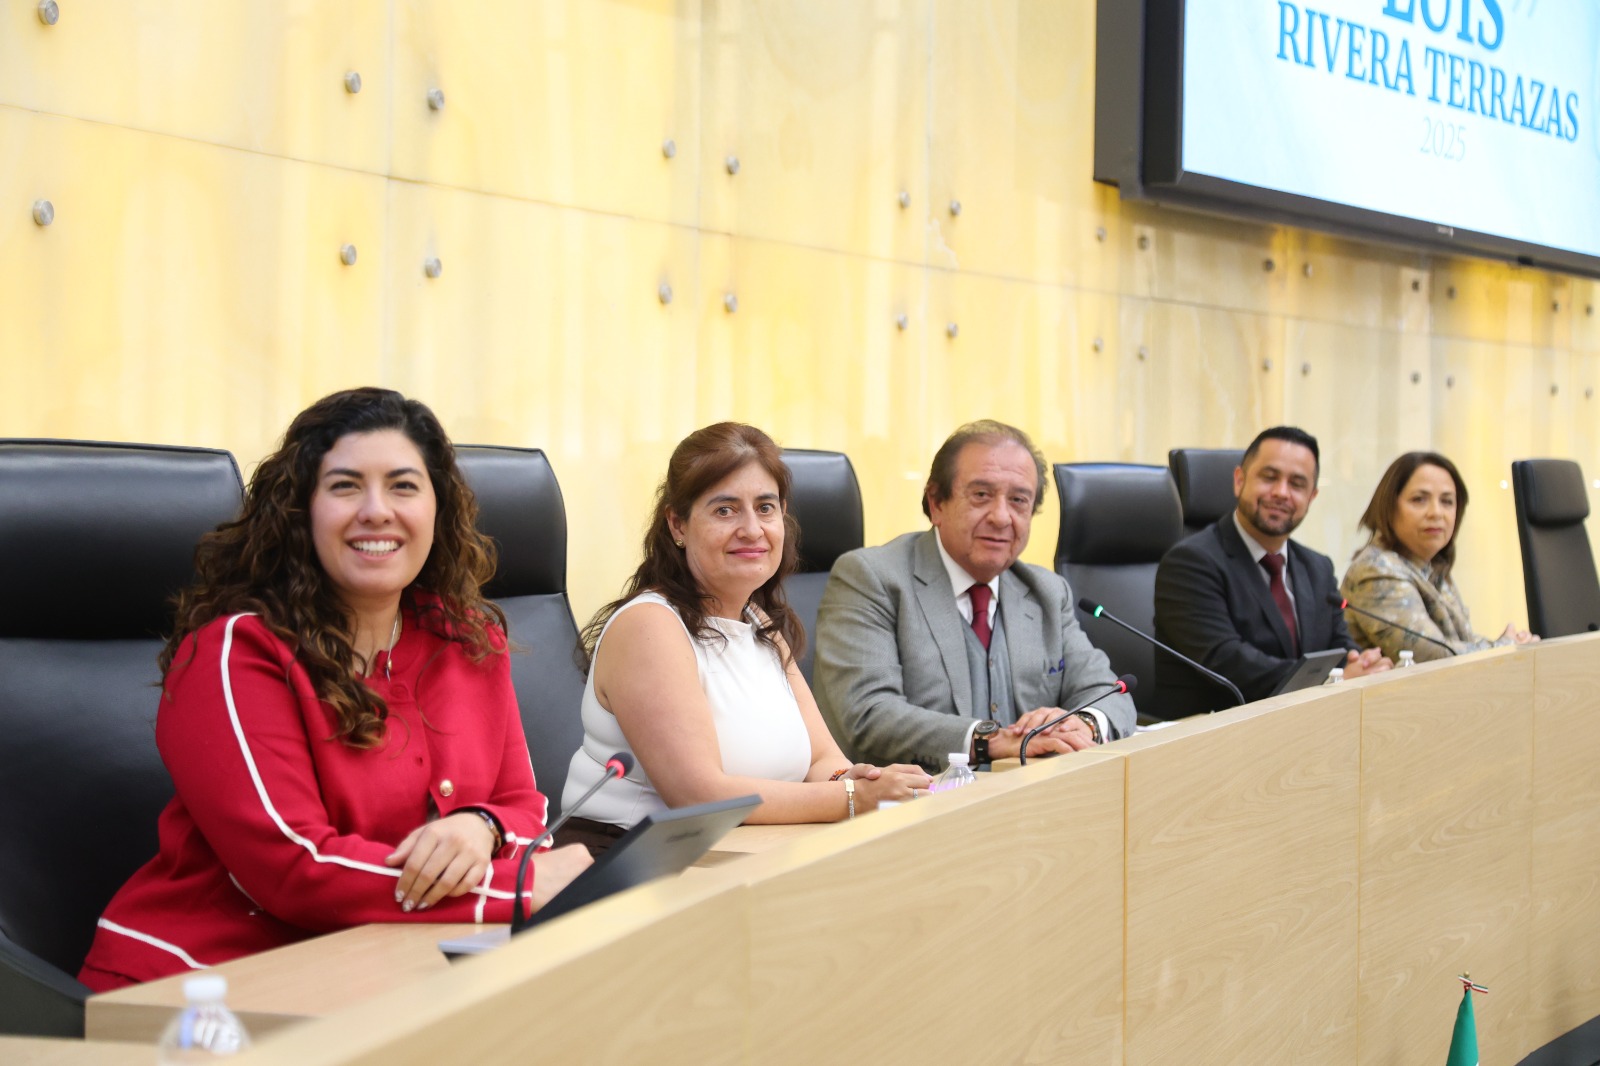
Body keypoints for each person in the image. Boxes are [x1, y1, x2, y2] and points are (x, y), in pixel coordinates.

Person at [78, 388, 591, 991]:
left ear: (438, 509)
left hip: (384, 967)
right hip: (201, 989)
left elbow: (522, 804)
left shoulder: (468, 640)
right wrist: (521, 886)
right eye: (345, 486)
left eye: (403, 485)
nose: (376, 510)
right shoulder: (238, 653)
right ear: (301, 511)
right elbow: (293, 868)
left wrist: (483, 826)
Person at [559, 422, 928, 848]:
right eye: (725, 510)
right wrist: (851, 797)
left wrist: (859, 780)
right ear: (677, 525)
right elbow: (700, 796)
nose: (752, 529)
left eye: (766, 508)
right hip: (633, 863)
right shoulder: (649, 626)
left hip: (747, 851)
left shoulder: (758, 620)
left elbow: (822, 758)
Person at [813, 420, 1136, 771]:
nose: (1001, 517)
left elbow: (1111, 693)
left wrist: (1082, 724)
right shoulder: (871, 577)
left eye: (1018, 501)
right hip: (911, 808)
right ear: (936, 503)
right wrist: (993, 741)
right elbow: (869, 715)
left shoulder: (1045, 591)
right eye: (981, 495)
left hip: (1029, 805)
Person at [1153, 426, 1391, 717]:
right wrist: (1334, 679)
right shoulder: (1190, 562)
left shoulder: (1317, 567)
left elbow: (1339, 647)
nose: (1281, 492)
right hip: (1210, 736)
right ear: (1239, 481)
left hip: (1301, 727)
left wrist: (1363, 664)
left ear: (1312, 497)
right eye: (1269, 477)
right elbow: (1227, 663)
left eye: (1297, 484)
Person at [1341, 451, 1536, 661]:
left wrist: (1513, 643)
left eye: (1447, 501)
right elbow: (1432, 656)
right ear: (1389, 507)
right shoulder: (1376, 569)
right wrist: (1506, 646)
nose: (1436, 513)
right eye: (1419, 499)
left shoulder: (1432, 566)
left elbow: (1461, 643)